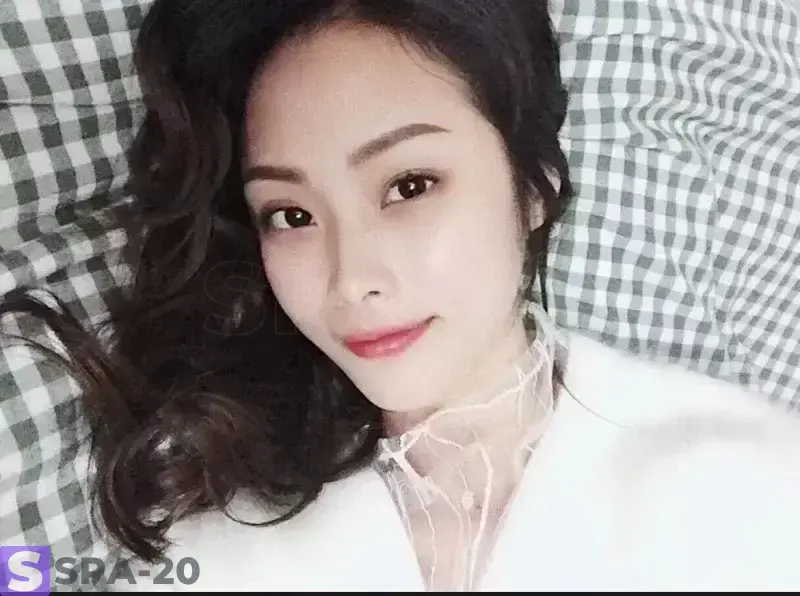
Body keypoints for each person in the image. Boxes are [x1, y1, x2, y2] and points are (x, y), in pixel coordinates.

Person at [3, 0, 800, 591]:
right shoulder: (208, 529)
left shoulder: (750, 486)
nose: (352, 278)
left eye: (409, 185)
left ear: (533, 186)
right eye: (292, 215)